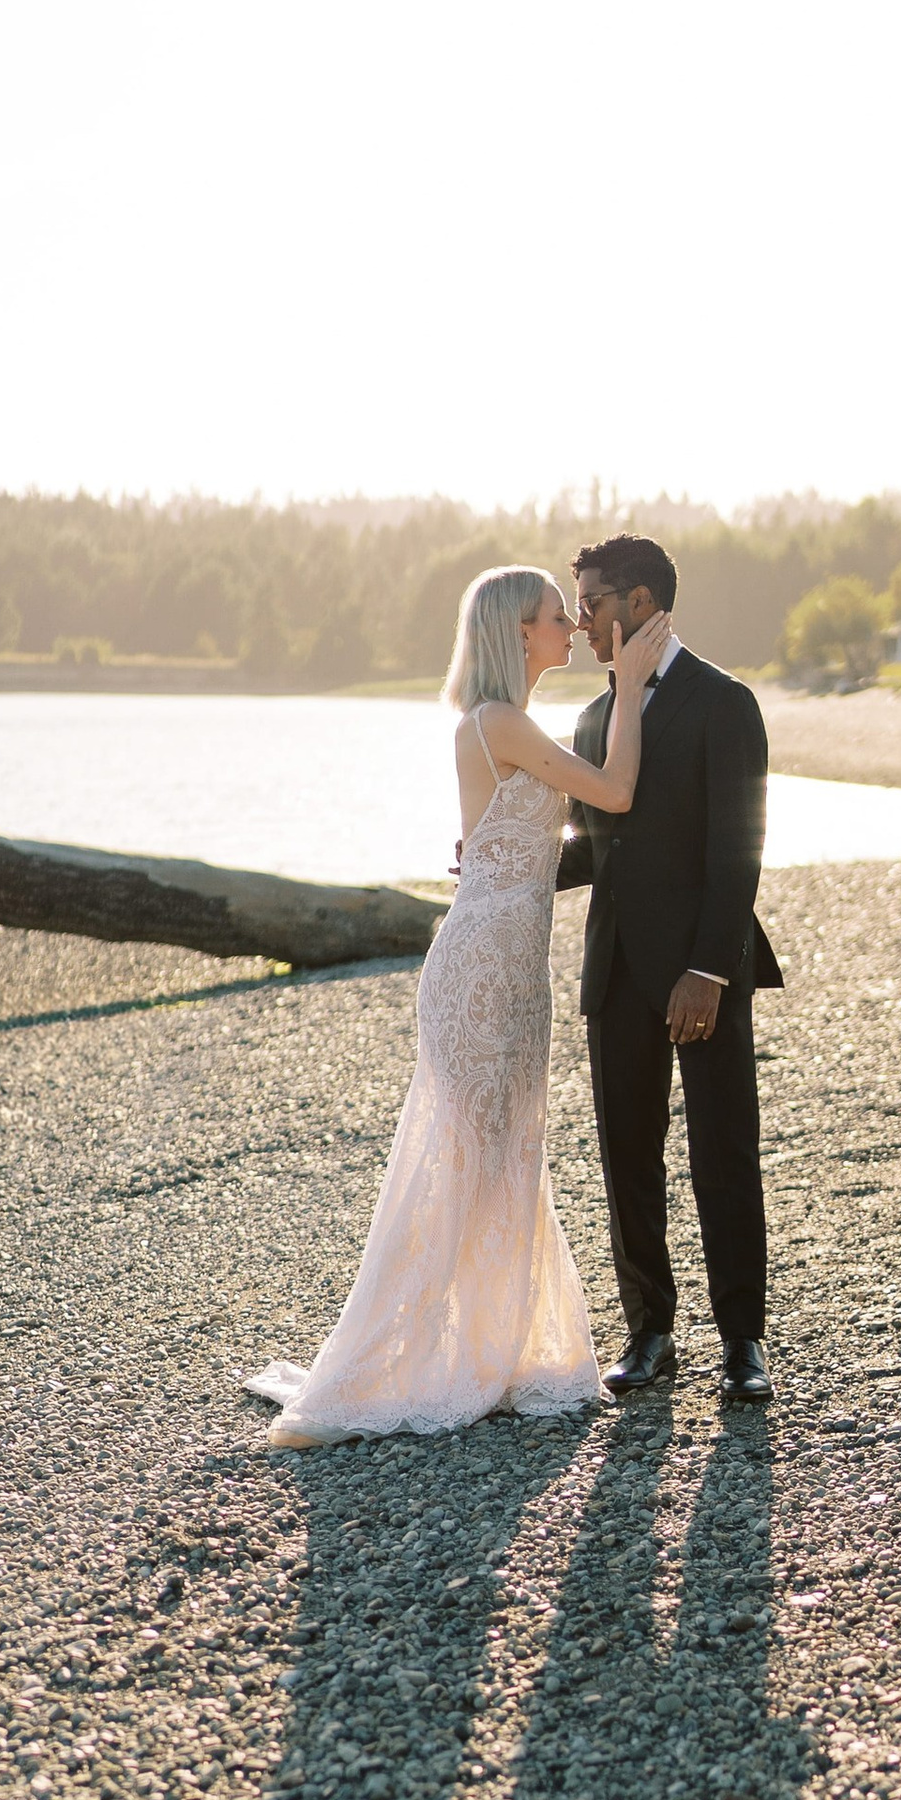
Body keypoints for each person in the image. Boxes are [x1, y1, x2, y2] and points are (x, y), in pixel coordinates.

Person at [246, 564, 668, 1449]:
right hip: (481, 973)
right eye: (560, 616)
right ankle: (431, 1359)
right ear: (520, 631)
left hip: (509, 967)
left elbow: (520, 841)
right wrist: (629, 688)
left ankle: (491, 1346)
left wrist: (486, 852)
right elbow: (617, 793)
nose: (572, 626)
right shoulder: (501, 722)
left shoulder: (504, 725)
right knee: (474, 1161)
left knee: (505, 1155)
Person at [561, 532, 782, 1402]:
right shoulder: (590, 719)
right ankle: (650, 1331)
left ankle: (743, 1340)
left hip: (703, 972)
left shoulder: (724, 703)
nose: (580, 624)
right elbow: (595, 849)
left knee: (724, 1149)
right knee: (628, 1155)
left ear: (641, 603)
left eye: (592, 604)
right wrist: (509, 860)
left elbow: (739, 850)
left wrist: (709, 969)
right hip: (614, 970)